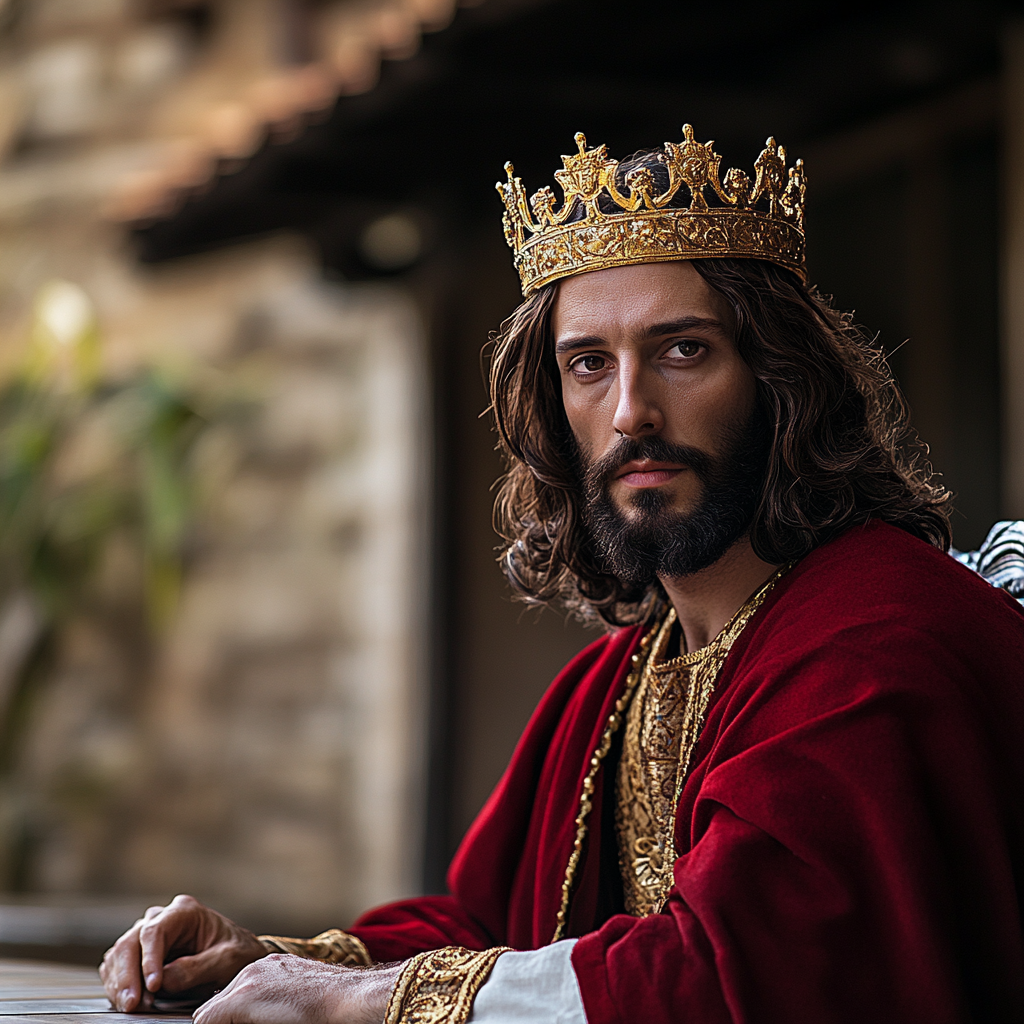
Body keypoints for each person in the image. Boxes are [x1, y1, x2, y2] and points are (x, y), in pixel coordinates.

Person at [99, 125, 1024, 1023]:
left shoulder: (882, 640)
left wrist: (354, 1001)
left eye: (683, 350)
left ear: (781, 376)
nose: (631, 411)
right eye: (589, 364)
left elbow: (742, 977)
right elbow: (488, 930)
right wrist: (278, 963)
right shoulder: (615, 682)